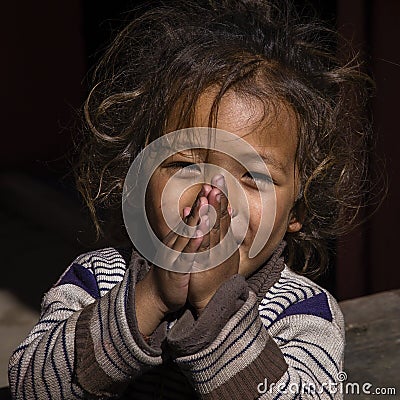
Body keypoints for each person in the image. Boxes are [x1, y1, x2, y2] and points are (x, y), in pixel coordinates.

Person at [9, 0, 373, 398]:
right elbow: (31, 387)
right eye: (185, 165)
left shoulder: (303, 313)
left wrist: (219, 314)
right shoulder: (97, 279)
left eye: (252, 177)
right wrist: (148, 300)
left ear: (296, 212)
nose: (212, 199)